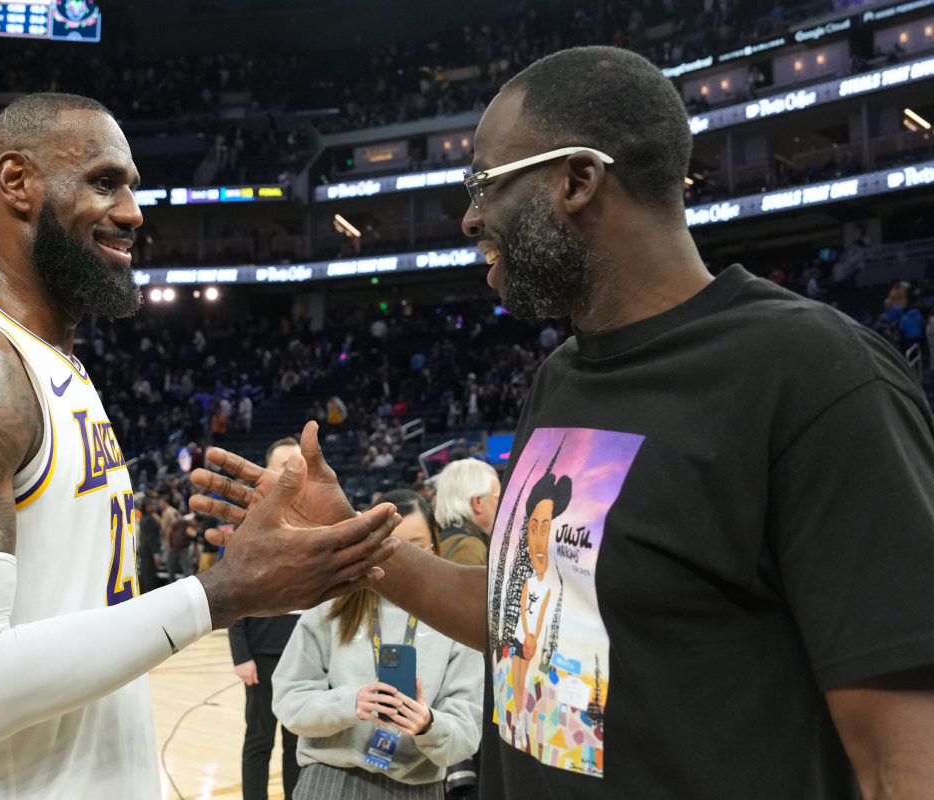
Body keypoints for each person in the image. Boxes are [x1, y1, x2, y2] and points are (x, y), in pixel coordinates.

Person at [192, 48, 934, 798]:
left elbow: (901, 757)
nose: (470, 214)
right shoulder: (561, 377)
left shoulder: (814, 375)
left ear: (577, 180)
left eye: (483, 182)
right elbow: (530, 624)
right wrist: (354, 541)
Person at [0, 92, 401, 799]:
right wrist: (219, 595)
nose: (134, 212)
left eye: (133, 187)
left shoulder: (51, 364)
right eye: (105, 182)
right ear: (16, 182)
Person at [271, 490, 481, 799]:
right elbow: (289, 700)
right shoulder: (332, 604)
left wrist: (429, 725)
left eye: (417, 546)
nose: (405, 559)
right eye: (391, 545)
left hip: (417, 788)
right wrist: (349, 704)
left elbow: (466, 734)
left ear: (433, 546)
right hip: (330, 780)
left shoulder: (455, 620)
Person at [229, 436, 304, 800]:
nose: (293, 470)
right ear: (266, 471)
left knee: (297, 743)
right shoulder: (248, 524)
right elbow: (230, 592)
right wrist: (240, 654)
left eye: (298, 463)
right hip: (262, 655)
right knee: (259, 739)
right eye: (283, 464)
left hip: (305, 657)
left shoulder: (318, 523)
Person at [432, 458, 500, 566]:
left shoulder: (437, 541)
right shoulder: (470, 548)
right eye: (498, 497)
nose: (500, 505)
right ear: (478, 502)